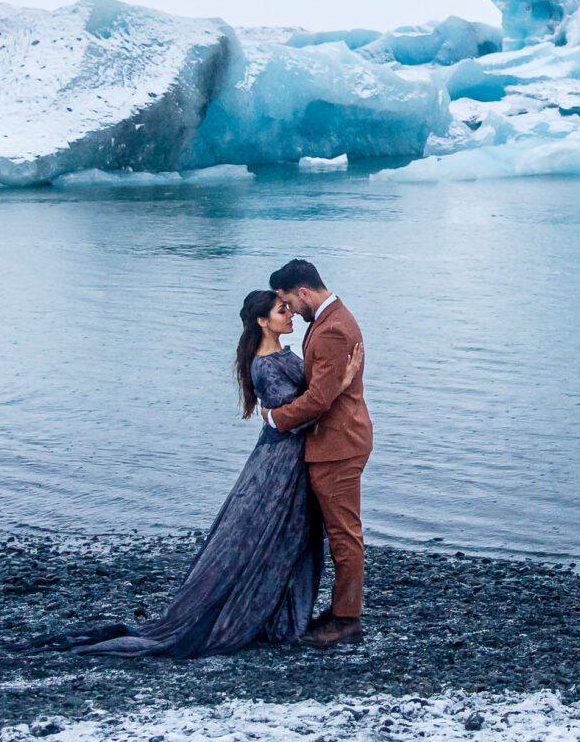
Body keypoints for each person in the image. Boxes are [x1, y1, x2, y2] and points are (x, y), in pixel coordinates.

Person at [58, 289, 330, 657]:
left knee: (288, 536)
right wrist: (338, 385)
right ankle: (269, 615)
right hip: (281, 464)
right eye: (282, 311)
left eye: (288, 309)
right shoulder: (265, 364)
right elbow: (294, 419)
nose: (290, 315)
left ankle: (282, 613)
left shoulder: (278, 355)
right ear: (262, 321)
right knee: (276, 534)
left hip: (287, 457)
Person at [262, 258, 371, 648]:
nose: (290, 310)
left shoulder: (330, 331)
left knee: (344, 534)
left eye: (290, 302)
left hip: (337, 444)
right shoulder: (329, 321)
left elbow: (319, 400)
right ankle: (339, 610)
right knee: (337, 531)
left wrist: (275, 419)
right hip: (335, 440)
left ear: (303, 292)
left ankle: (347, 620)